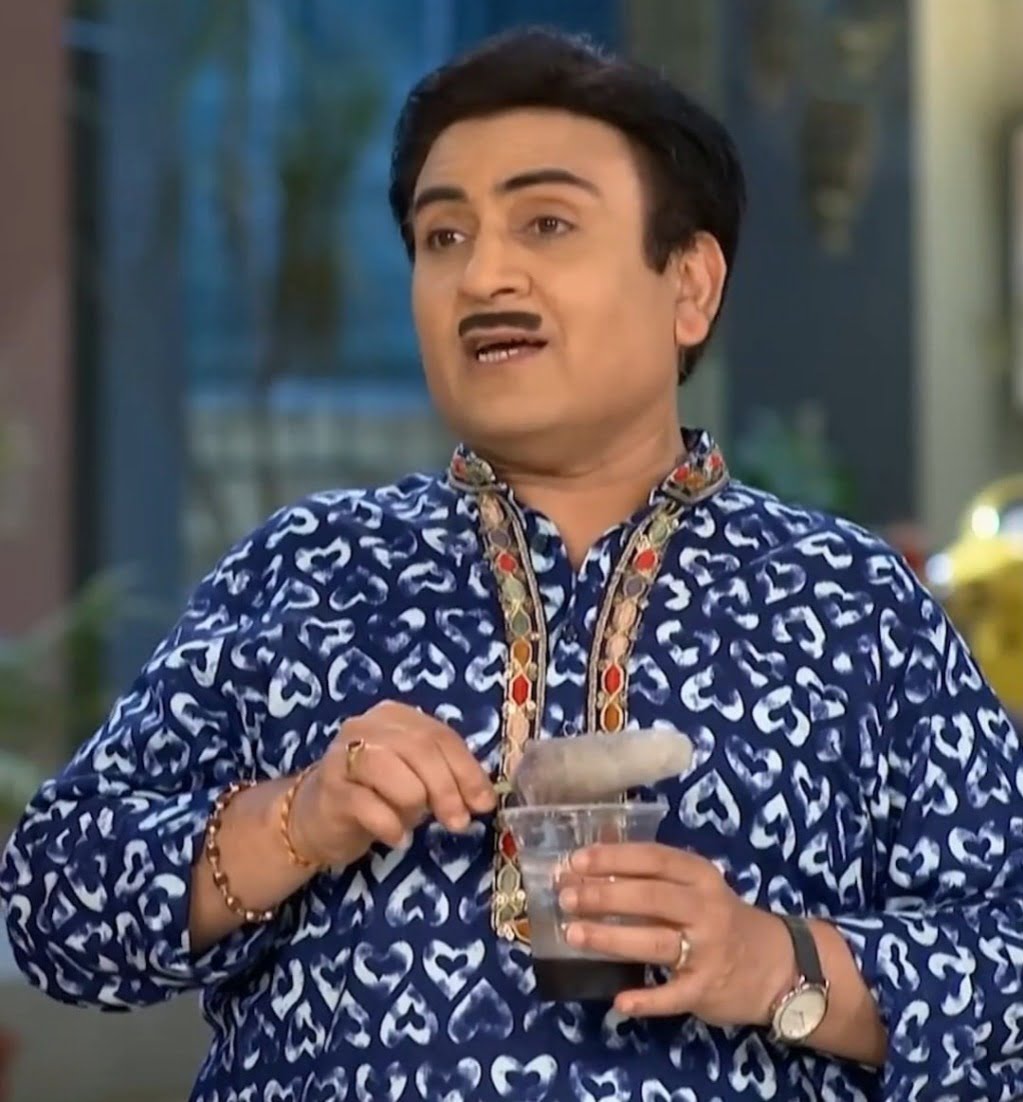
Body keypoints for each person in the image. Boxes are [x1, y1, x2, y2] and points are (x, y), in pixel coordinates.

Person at [2, 26, 1021, 1102]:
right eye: (442, 236)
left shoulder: (850, 603)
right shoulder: (309, 569)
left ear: (690, 284)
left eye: (546, 223)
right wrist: (294, 820)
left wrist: (777, 963)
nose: (483, 274)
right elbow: (51, 908)